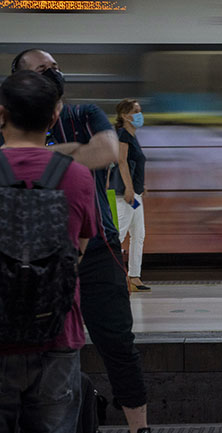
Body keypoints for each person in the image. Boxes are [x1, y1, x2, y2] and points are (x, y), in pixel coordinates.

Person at [8, 49, 151, 433]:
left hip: (95, 247)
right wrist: (72, 154)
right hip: (25, 254)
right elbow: (87, 156)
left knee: (117, 342)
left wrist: (42, 155)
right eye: (43, 70)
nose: (54, 73)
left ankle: (140, 427)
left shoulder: (83, 113)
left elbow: (104, 153)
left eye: (55, 67)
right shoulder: (12, 117)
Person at [0, 70, 97, 433]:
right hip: (56, 334)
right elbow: (79, 250)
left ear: (0, 115)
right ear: (54, 118)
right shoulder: (77, 176)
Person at [112, 98, 150, 292]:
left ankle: (134, 277)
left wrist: (139, 186)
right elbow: (121, 161)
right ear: (125, 115)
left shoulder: (131, 135)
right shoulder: (123, 135)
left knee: (138, 234)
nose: (139, 114)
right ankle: (111, 276)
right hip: (125, 194)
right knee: (118, 235)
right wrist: (128, 188)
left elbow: (135, 164)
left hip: (135, 194)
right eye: (136, 111)